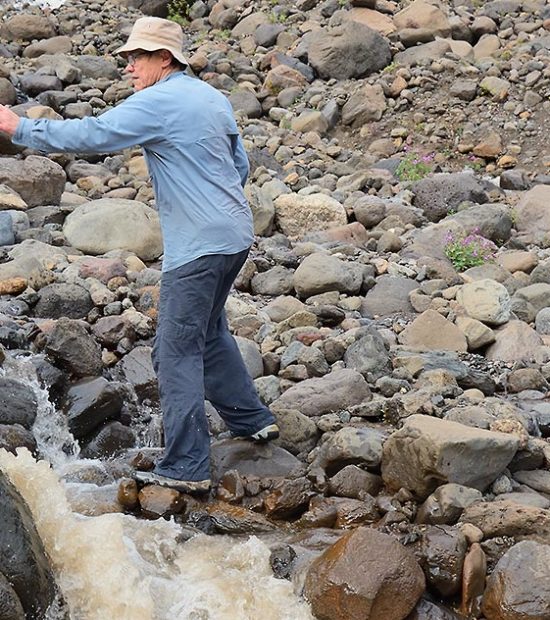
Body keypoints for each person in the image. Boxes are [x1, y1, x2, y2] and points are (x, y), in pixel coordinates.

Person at [0, 16, 279, 494]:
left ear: (164, 59)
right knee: (209, 332)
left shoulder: (158, 101)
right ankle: (253, 421)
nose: (128, 65)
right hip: (234, 235)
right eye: (127, 57)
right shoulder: (211, 97)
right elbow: (239, 162)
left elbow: (93, 136)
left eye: (136, 57)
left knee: (174, 351)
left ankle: (187, 465)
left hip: (198, 245)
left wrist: (19, 127)